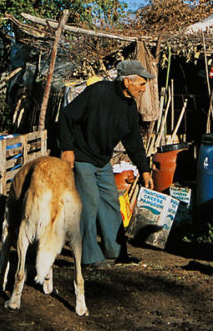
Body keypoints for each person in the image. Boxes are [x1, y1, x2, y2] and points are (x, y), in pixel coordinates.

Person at [58, 60, 155, 268]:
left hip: (102, 160)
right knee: (89, 204)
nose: (144, 88)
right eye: (141, 83)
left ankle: (116, 251)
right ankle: (89, 257)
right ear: (127, 81)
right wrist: (67, 147)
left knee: (111, 202)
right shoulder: (99, 91)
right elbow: (66, 115)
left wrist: (145, 170)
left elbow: (134, 142)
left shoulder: (129, 107)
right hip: (82, 155)